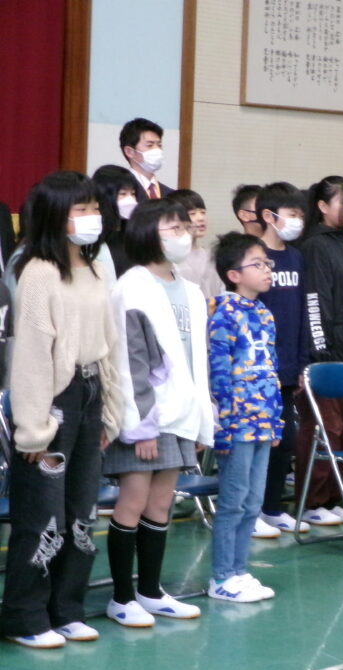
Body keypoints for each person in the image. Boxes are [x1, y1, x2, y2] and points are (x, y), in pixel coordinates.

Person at [0, 171, 121, 648]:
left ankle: (66, 609)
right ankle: (25, 616)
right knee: (42, 515)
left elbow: (109, 345)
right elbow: (30, 356)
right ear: (55, 216)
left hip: (90, 395)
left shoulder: (94, 269)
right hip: (54, 402)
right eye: (80, 209)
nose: (92, 217)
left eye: (94, 208)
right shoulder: (38, 272)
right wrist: (33, 429)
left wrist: (110, 411)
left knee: (81, 511)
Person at [104, 198, 213, 628]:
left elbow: (196, 361)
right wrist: (142, 426)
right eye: (173, 228)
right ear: (148, 234)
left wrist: (201, 418)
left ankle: (150, 591)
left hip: (181, 414)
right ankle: (121, 598)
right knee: (132, 502)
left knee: (162, 503)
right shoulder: (132, 286)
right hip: (145, 417)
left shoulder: (190, 290)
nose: (183, 234)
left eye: (185, 227)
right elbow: (130, 362)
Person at [207, 232, 284, 601]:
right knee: (233, 502)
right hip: (236, 424)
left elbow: (271, 369)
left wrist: (276, 419)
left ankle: (240, 570)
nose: (267, 270)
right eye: (258, 264)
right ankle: (222, 576)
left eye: (268, 263)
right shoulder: (223, 314)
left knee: (253, 503)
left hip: (263, 422)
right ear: (234, 275)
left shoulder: (265, 314)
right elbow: (219, 373)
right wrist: (222, 425)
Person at [296, 176, 343, 526]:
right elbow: (315, 303)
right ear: (323, 206)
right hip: (327, 359)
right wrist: (321, 353)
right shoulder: (314, 247)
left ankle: (333, 497)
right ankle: (313, 501)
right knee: (324, 430)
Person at [252, 181, 310, 535]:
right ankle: (253, 510)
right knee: (261, 442)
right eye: (291, 213)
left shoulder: (297, 257)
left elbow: (303, 311)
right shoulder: (254, 257)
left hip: (289, 365)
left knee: (285, 440)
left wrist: (302, 363)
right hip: (259, 367)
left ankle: (272, 508)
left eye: (301, 214)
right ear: (269, 216)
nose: (297, 220)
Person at [168, 189, 223, 299]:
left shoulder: (212, 256)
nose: (201, 218)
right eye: (192, 213)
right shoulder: (168, 259)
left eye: (203, 212)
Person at [92, 164, 139, 279]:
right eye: (123, 194)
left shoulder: (133, 234)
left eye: (133, 193)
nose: (130, 199)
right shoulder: (93, 236)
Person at [119, 117, 173, 202]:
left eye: (159, 145)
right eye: (149, 145)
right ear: (129, 152)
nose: (157, 150)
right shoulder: (119, 192)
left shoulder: (171, 195)